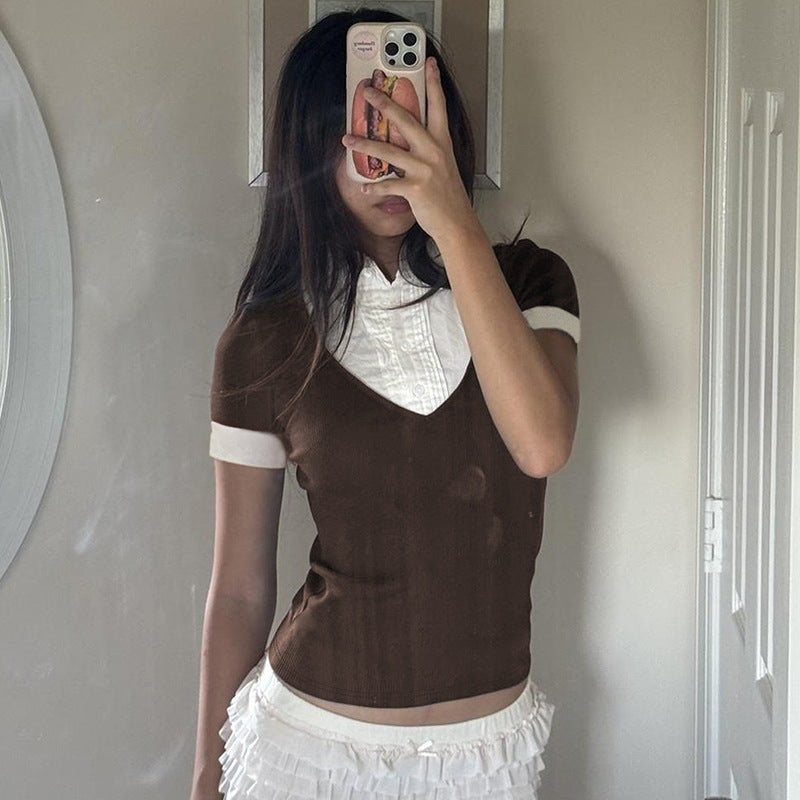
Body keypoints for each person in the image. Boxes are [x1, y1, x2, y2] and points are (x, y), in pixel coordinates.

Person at [190, 8, 580, 800]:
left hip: (485, 759)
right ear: (312, 149)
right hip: (306, 752)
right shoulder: (263, 339)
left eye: (409, 124)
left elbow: (541, 444)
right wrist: (207, 773)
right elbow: (238, 589)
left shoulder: (530, 281)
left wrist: (453, 219)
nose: (387, 157)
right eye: (365, 129)